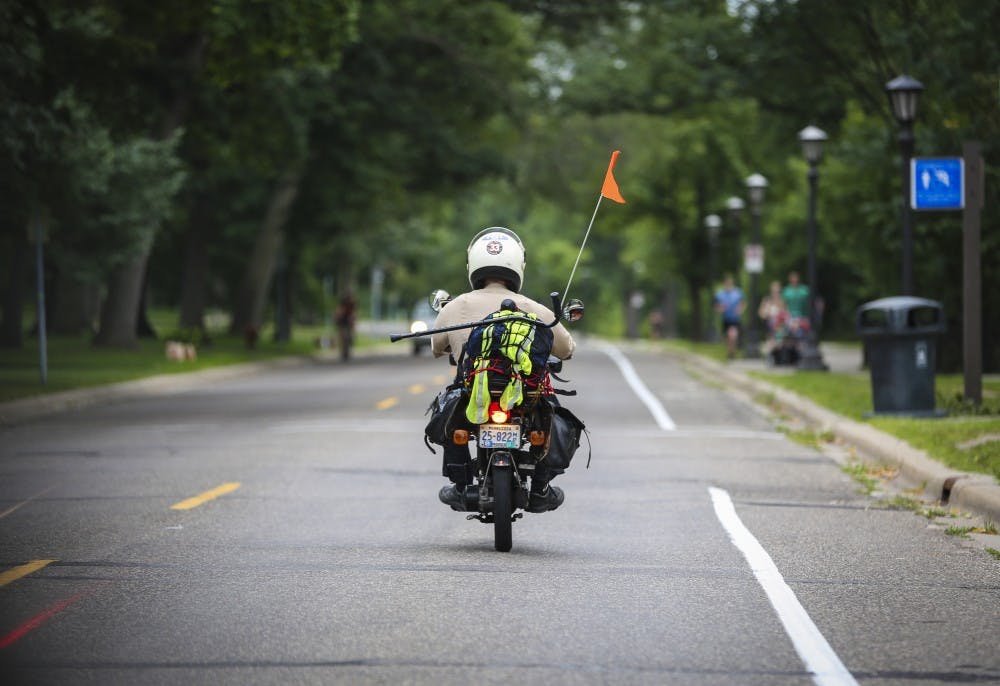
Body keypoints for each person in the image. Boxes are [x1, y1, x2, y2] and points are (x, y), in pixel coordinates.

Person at [431, 227, 576, 513]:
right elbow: (566, 350)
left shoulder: (457, 305)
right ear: (518, 265)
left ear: (473, 264)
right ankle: (541, 488)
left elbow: (437, 347)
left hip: (473, 389)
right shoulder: (534, 308)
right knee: (551, 418)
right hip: (525, 394)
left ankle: (460, 485)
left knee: (449, 419)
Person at [713, 275, 745, 359]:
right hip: (725, 319)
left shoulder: (737, 293)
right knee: (727, 338)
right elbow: (715, 306)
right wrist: (720, 309)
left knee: (733, 336)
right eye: (726, 284)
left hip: (735, 319)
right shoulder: (720, 294)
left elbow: (743, 303)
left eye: (729, 284)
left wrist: (740, 309)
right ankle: (730, 352)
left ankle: (732, 353)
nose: (728, 285)